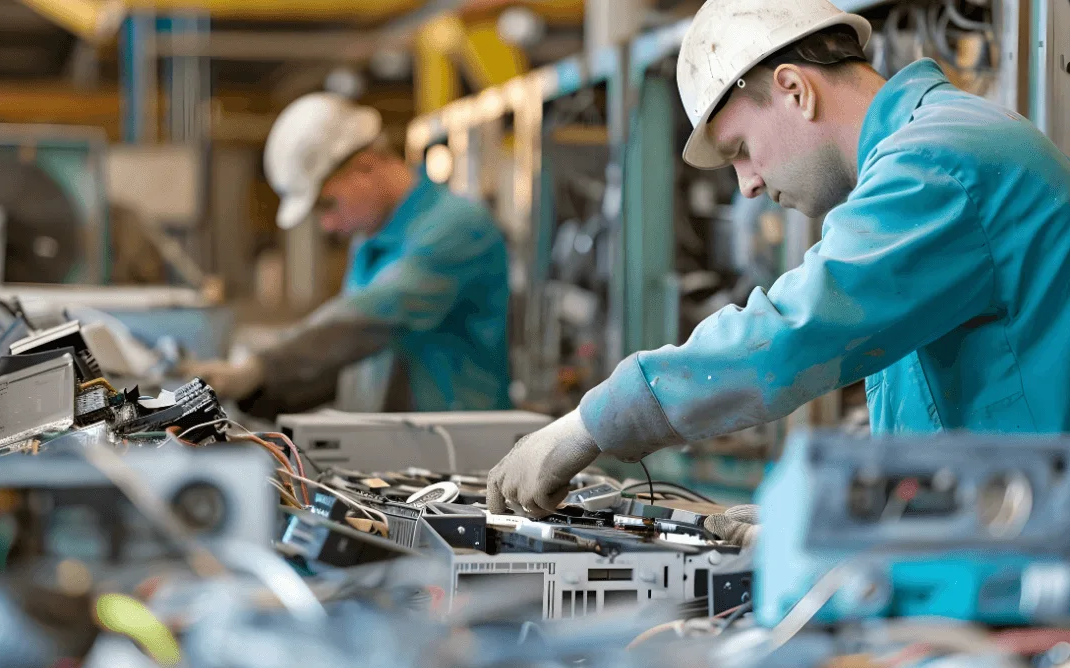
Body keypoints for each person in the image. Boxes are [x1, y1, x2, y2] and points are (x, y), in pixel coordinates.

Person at [487, 0, 1070, 517]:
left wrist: (591, 424)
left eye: (741, 150)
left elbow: (795, 332)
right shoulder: (933, 151)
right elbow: (942, 417)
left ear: (795, 88)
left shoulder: (939, 161)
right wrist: (839, 514)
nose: (748, 185)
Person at [187, 93, 512, 419]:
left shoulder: (457, 227)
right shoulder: (369, 240)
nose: (326, 225)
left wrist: (261, 366)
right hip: (390, 444)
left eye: (327, 204)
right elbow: (352, 354)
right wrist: (262, 392)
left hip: (459, 452)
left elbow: (371, 320)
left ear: (366, 165)